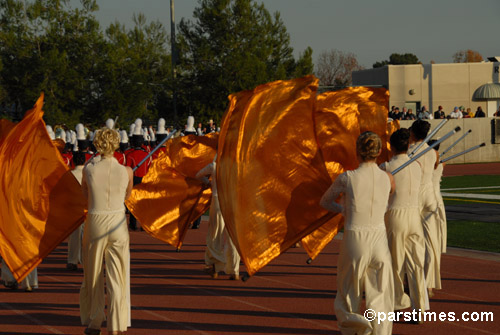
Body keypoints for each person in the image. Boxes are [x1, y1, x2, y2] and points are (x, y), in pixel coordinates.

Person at [320, 132, 395, 335]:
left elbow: (325, 201)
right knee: (381, 294)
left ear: (357, 151)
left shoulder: (347, 178)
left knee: (347, 293)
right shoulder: (388, 178)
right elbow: (388, 195)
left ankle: (355, 329)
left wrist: (343, 209)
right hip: (379, 241)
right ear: (379, 151)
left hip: (354, 239)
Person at [80, 127, 133, 335]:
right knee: (118, 276)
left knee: (93, 274)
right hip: (118, 222)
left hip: (95, 221)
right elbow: (127, 197)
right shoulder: (126, 171)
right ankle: (117, 324)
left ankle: (95, 320)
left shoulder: (88, 169)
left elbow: (85, 193)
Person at [380, 129, 427, 316]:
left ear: (391, 146)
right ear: (408, 146)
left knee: (396, 263)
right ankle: (420, 307)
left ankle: (399, 302)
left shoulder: (386, 167)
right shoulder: (417, 166)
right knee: (416, 263)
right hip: (414, 216)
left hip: (396, 215)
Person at [409, 120, 441, 297]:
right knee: (430, 241)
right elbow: (435, 166)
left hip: (415, 197)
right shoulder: (433, 152)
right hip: (430, 196)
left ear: (412, 133)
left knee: (414, 241)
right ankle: (428, 284)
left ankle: (416, 281)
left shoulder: (410, 151)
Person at [196, 155, 241, 280]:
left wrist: (209, 183)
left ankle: (214, 267)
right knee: (233, 236)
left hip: (218, 201)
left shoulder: (214, 166)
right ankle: (234, 270)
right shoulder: (238, 166)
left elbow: (198, 175)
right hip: (233, 201)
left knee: (215, 235)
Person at [125, 119, 151, 231]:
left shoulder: (129, 154)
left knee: (133, 203)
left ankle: (133, 224)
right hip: (144, 179)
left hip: (133, 179)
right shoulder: (146, 154)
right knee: (142, 204)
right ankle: (144, 224)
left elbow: (128, 168)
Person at [67, 151, 86, 271]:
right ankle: (84, 260)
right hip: (86, 207)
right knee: (85, 236)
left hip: (73, 208)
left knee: (74, 237)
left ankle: (72, 260)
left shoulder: (70, 174)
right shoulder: (88, 173)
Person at [428, 140, 447, 255]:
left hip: (429, 194)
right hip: (437, 195)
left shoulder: (427, 161)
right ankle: (440, 245)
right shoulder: (442, 162)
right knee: (440, 221)